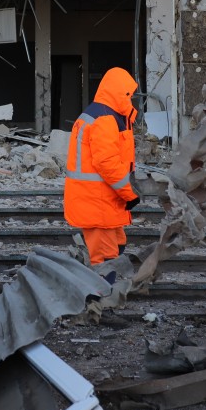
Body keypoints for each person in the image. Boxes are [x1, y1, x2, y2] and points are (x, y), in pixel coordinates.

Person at [64, 67, 140, 265]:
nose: (131, 99)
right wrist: (129, 193)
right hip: (98, 201)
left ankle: (108, 290)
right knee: (106, 258)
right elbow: (107, 163)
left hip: (101, 200)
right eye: (129, 95)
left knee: (117, 245)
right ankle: (103, 294)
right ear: (120, 93)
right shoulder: (105, 120)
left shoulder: (101, 114)